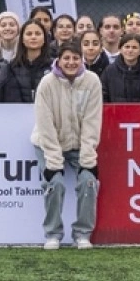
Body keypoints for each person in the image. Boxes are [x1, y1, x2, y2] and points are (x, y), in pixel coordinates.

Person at [31, 41, 102, 250]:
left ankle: (82, 234)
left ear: (82, 59)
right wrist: (54, 161)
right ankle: (53, 233)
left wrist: (88, 157)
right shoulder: (47, 83)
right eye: (66, 58)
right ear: (59, 60)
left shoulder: (92, 81)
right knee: (56, 183)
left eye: (75, 58)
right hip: (49, 143)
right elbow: (45, 123)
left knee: (89, 182)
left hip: (79, 144)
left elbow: (92, 120)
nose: (71, 62)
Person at [0, 21, 52, 103]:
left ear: (44, 39)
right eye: (29, 34)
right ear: (22, 39)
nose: (33, 37)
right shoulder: (12, 67)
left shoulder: (53, 67)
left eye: (38, 34)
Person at [101, 34, 140, 103]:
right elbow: (104, 97)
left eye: (134, 47)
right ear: (120, 49)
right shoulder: (109, 71)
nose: (130, 50)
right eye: (127, 47)